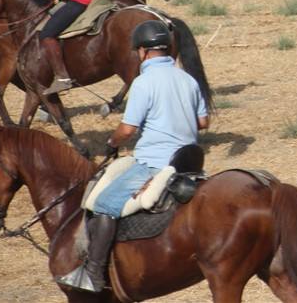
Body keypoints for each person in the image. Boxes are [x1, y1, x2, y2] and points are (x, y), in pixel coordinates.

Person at [54, 19, 210, 292]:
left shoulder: (143, 82)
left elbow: (128, 129)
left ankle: (93, 274)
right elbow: (203, 123)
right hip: (189, 160)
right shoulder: (188, 79)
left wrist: (112, 141)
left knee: (102, 203)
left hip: (155, 163)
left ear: (142, 51)